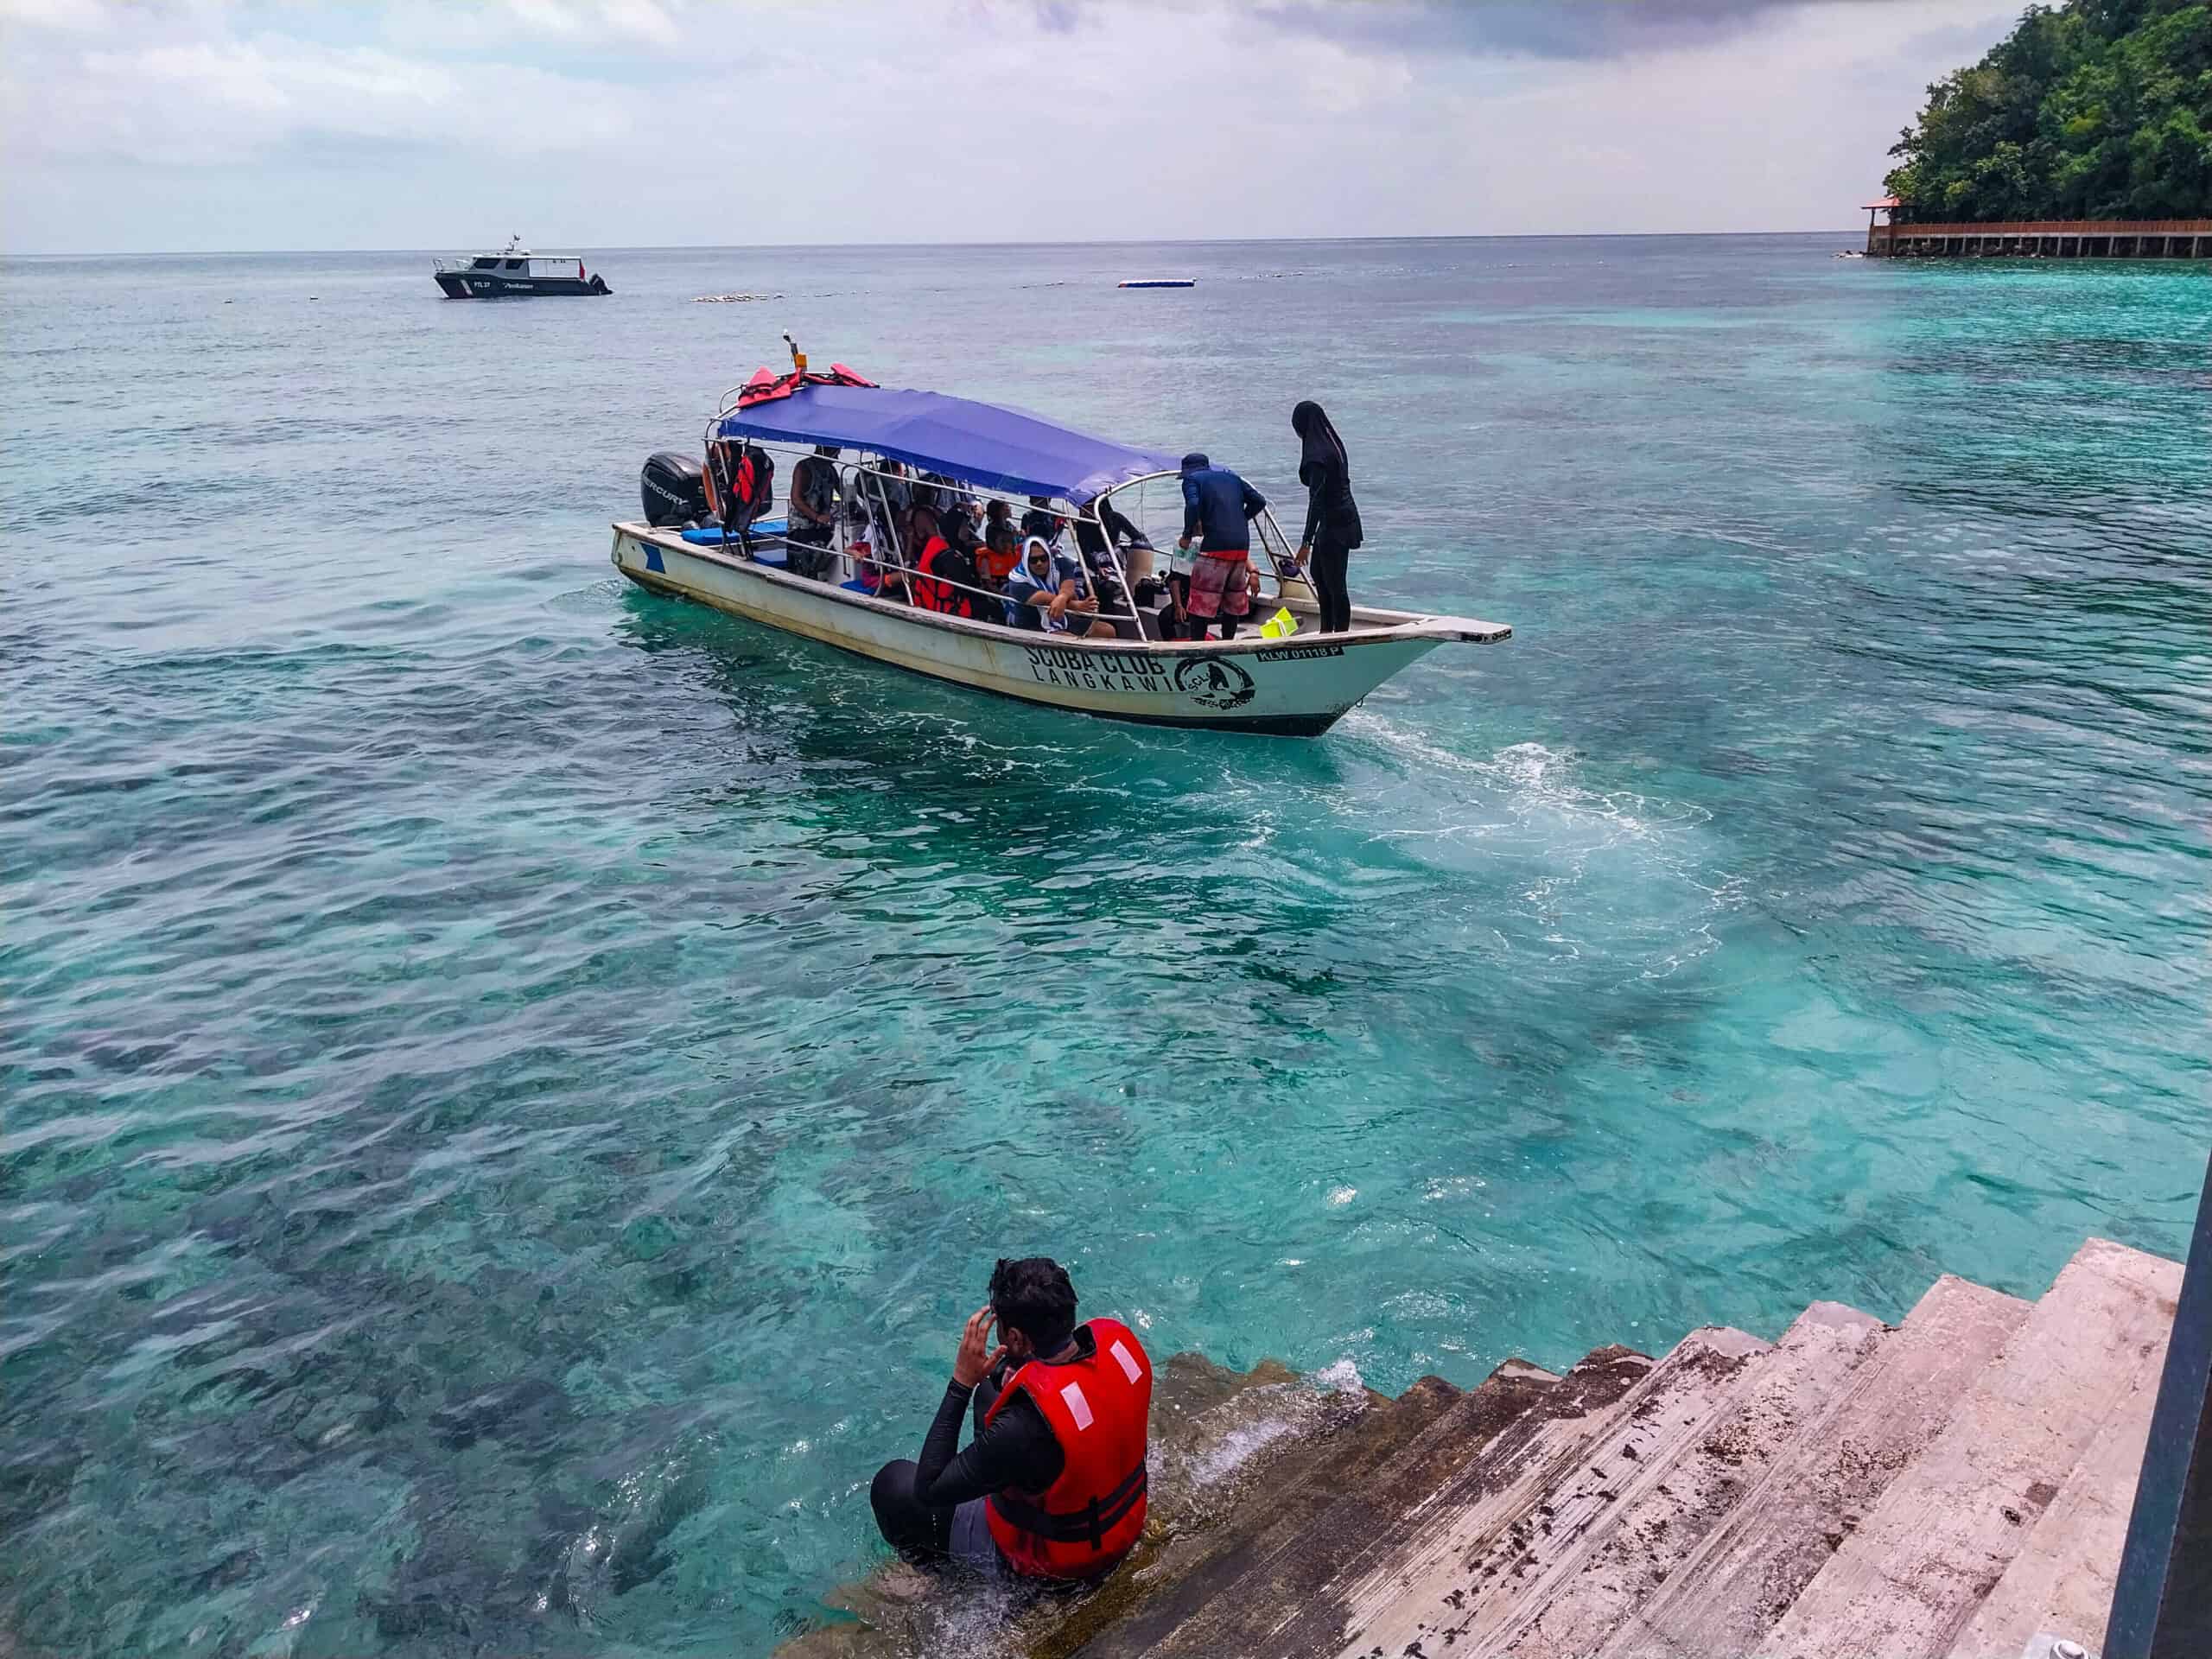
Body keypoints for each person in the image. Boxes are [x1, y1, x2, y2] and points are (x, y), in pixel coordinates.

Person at [870, 1258, 1152, 1584]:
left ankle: (946, 1579)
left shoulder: (1023, 1424)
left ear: (1016, 1338)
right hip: (1122, 1522)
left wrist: (962, 1382)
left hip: (1055, 1567)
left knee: (892, 1485)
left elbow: (930, 1488)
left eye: (1002, 1328)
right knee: (993, 1392)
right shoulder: (1121, 1347)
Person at [1174, 452, 1266, 640]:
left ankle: (1197, 646)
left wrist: (1187, 535)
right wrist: (1240, 520)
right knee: (1232, 599)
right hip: (1241, 546)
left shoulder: (1192, 480)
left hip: (1215, 546)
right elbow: (1259, 501)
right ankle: (1228, 642)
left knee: (1202, 600)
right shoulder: (1233, 478)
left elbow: (1192, 505)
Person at [1291, 402, 1363, 632]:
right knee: (1318, 576)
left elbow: (1316, 500)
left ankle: (1340, 635)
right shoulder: (1333, 445)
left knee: (1335, 583)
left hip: (1337, 524)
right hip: (1336, 519)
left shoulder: (1317, 457)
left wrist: (1305, 543)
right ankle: (1325, 630)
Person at [1007, 536, 1116, 638]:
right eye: (1033, 560)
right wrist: (1077, 606)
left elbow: (1068, 586)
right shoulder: (1017, 581)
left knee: (1108, 631)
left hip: (1063, 617)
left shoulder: (1062, 564)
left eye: (1043, 558)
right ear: (1026, 560)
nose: (1039, 563)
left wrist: (1062, 597)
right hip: (1032, 625)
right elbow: (1045, 599)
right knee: (1072, 640)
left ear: (1049, 557)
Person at [787, 444, 842, 579]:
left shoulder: (831, 471)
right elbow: (796, 499)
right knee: (812, 555)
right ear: (825, 451)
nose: (838, 457)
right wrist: (816, 517)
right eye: (836, 453)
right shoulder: (803, 468)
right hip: (801, 527)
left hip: (823, 527)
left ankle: (830, 579)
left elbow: (843, 493)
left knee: (836, 547)